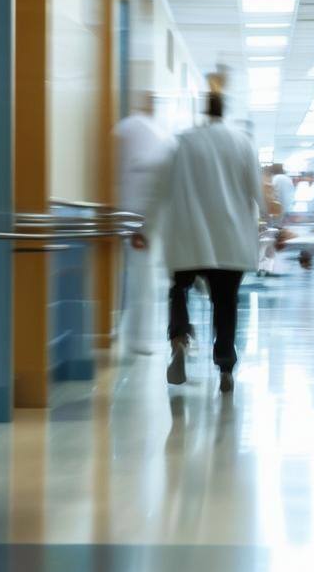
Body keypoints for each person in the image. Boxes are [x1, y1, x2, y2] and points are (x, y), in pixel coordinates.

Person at [152, 91, 264, 394]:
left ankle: (179, 338)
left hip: (188, 235)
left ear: (204, 112)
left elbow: (159, 188)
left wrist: (145, 227)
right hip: (229, 238)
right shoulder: (242, 142)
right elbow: (257, 191)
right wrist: (272, 227)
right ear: (224, 111)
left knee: (179, 288)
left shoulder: (183, 142)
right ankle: (225, 366)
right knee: (225, 303)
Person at [112, 92, 174, 356]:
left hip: (134, 214)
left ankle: (126, 331)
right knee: (143, 278)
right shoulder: (155, 135)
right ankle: (137, 337)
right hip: (142, 217)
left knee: (136, 276)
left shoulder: (136, 130)